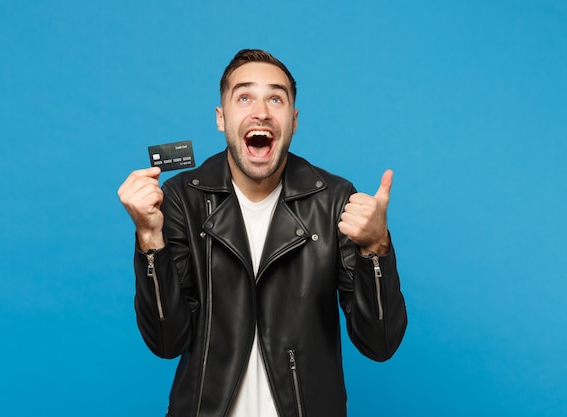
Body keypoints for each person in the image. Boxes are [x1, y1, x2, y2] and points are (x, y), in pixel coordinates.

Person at [118, 49, 407, 417]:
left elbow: (378, 344)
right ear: (221, 119)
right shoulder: (181, 200)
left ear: (294, 120)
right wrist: (148, 238)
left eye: (275, 98)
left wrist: (376, 248)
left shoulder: (335, 201)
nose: (261, 112)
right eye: (244, 97)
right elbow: (166, 341)